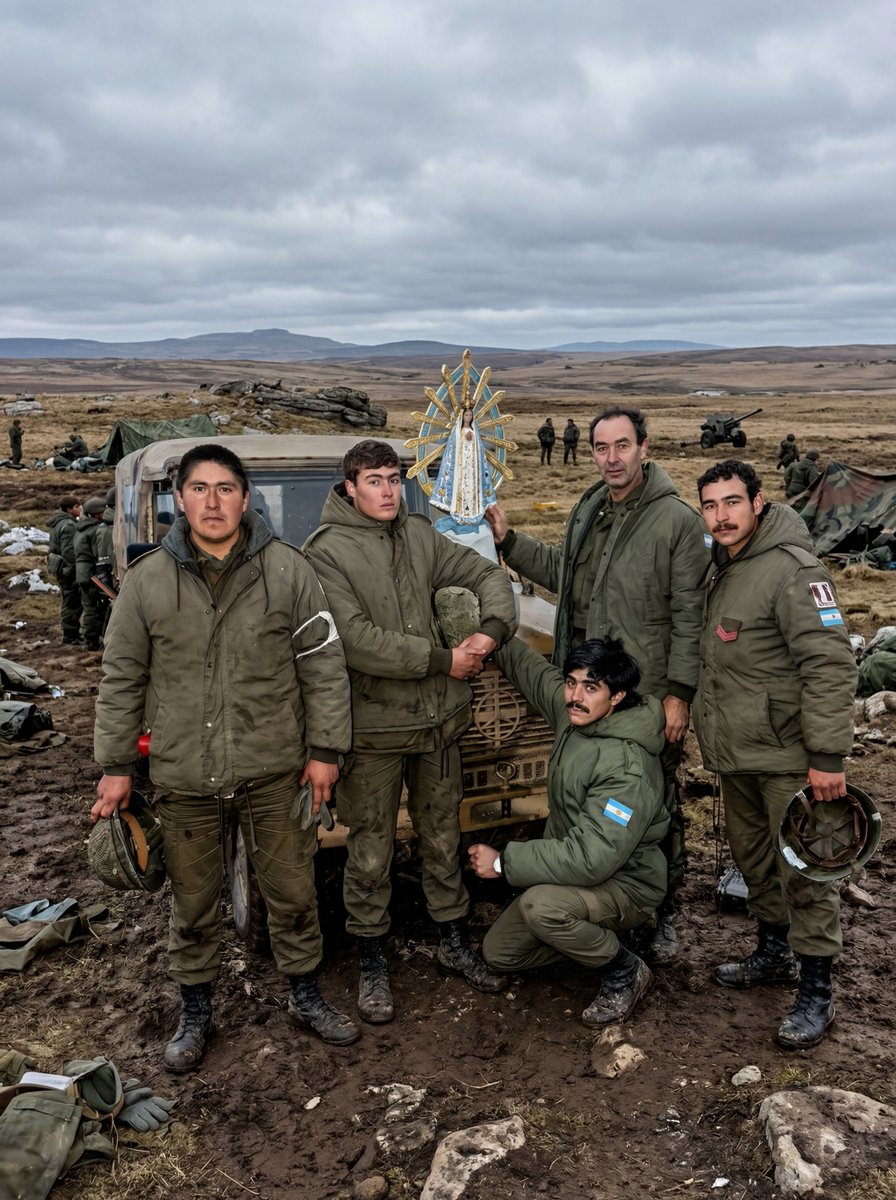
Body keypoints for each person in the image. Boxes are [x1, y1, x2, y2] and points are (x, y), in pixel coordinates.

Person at [92, 443, 357, 1071]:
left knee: (292, 893)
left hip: (275, 769)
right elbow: (121, 677)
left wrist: (325, 750)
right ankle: (196, 1009)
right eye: (200, 488)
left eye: (227, 488)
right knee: (194, 901)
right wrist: (117, 765)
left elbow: (323, 667)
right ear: (179, 498)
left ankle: (304, 993)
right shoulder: (148, 582)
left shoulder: (289, 571)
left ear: (246, 496)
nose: (214, 501)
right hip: (187, 773)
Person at [485, 404, 708, 964]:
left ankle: (661, 913)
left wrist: (678, 694)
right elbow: (568, 575)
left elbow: (690, 615)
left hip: (643, 694)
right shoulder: (591, 506)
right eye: (601, 448)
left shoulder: (675, 521)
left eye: (622, 446)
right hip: (587, 683)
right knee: (585, 794)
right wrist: (510, 542)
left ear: (644, 447)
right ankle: (585, 897)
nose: (611, 458)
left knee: (657, 803)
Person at [304, 438, 518, 1025]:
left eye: (395, 479)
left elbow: (483, 573)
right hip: (374, 728)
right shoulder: (325, 552)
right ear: (349, 487)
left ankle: (451, 942)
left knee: (443, 837)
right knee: (369, 851)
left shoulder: (421, 535)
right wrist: (442, 661)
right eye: (374, 480)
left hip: (437, 725)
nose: (388, 491)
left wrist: (493, 628)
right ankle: (372, 959)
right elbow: (354, 638)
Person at [693, 458, 857, 1049]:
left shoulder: (794, 571)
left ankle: (816, 990)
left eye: (732, 502)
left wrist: (829, 755)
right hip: (738, 752)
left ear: (758, 502)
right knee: (754, 858)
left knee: (807, 870)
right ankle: (772, 952)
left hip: (790, 756)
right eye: (710, 506)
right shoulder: (727, 566)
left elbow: (830, 662)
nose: (721, 516)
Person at [469, 636, 668, 1027]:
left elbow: (592, 859)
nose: (575, 696)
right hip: (583, 875)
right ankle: (595, 938)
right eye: (571, 682)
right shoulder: (577, 718)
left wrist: (504, 861)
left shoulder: (627, 768)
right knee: (501, 954)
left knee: (540, 907)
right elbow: (533, 672)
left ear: (617, 696)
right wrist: (492, 631)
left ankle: (624, 970)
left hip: (627, 884)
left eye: (591, 687)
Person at [430, 405, 497, 529]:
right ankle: (458, 510)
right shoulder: (457, 431)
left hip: (473, 468)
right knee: (459, 489)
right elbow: (452, 449)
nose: (468, 417)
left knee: (472, 489)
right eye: (466, 415)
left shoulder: (474, 430)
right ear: (462, 416)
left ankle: (474, 511)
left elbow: (479, 451)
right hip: (460, 468)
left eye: (470, 415)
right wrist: (463, 438)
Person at [47, 497, 83, 644]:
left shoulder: (59, 522)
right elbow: (69, 552)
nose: (80, 508)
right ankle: (70, 636)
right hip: (68, 570)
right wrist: (76, 569)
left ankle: (71, 634)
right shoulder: (69, 525)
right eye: (76, 506)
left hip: (61, 568)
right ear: (68, 509)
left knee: (69, 601)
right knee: (72, 602)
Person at [74, 497, 109, 651]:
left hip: (81, 571)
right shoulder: (96, 530)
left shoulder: (81, 527)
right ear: (96, 514)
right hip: (91, 572)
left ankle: (90, 638)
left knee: (88, 606)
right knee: (95, 607)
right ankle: (92, 640)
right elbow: (98, 553)